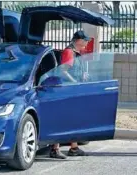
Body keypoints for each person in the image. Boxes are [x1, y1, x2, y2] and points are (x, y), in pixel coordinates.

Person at [49, 30, 90, 159]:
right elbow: (63, 71)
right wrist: (74, 82)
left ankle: (74, 147)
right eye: (85, 40)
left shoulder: (76, 53)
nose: (86, 43)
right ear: (78, 40)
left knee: (72, 119)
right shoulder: (69, 52)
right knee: (62, 119)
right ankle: (55, 149)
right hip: (67, 89)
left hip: (73, 90)